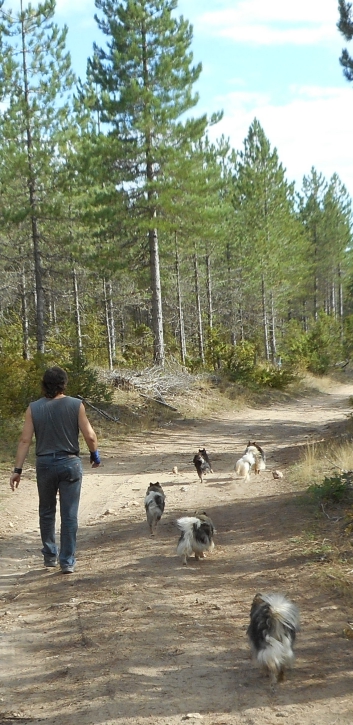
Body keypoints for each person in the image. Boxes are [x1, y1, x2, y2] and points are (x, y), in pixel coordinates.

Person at [9, 366, 101, 574]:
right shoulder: (76, 405)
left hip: (45, 465)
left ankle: (50, 556)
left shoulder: (33, 408)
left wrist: (17, 469)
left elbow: (25, 440)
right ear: (63, 384)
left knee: (47, 511)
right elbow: (90, 436)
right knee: (69, 514)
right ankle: (67, 561)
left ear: (44, 385)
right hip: (69, 463)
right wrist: (94, 455)